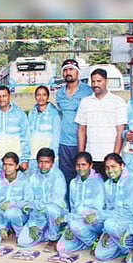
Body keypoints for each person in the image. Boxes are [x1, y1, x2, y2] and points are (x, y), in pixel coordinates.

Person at [75, 68, 127, 178]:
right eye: (93, 81)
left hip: (110, 158)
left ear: (106, 82)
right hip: (91, 157)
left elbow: (120, 131)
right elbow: (81, 129)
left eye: (99, 81)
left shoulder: (118, 102)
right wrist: (81, 155)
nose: (95, 84)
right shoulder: (85, 102)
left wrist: (115, 156)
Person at [93, 153, 133, 261]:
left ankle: (130, 248)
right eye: (107, 167)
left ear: (122, 166)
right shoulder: (107, 184)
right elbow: (107, 208)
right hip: (115, 222)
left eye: (113, 166)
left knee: (108, 223)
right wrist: (106, 231)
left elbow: (128, 211)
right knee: (101, 255)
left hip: (131, 221)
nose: (110, 170)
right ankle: (120, 246)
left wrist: (107, 224)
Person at [55, 59, 93, 188]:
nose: (68, 72)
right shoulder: (59, 93)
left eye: (71, 69)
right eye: (65, 70)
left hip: (83, 143)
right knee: (66, 178)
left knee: (84, 177)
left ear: (78, 72)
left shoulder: (88, 91)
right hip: (64, 143)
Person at [0, 152, 35, 249]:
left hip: (19, 215)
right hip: (1, 216)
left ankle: (19, 233)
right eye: (5, 164)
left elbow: (29, 202)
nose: (7, 168)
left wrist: (13, 204)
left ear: (17, 166)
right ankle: (7, 229)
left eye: (10, 165)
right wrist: (0, 226)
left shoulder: (24, 181)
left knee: (23, 242)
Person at [61, 152, 105, 253]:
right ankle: (83, 241)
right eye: (78, 165)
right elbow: (73, 208)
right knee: (61, 248)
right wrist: (69, 226)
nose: (80, 168)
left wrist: (72, 225)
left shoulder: (98, 182)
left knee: (75, 226)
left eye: (84, 165)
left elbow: (97, 210)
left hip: (94, 221)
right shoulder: (73, 183)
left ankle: (93, 241)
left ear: (91, 165)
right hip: (77, 221)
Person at [27, 148, 68, 253]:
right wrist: (32, 224)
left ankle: (53, 238)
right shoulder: (33, 176)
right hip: (38, 213)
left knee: (51, 209)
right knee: (23, 242)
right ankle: (46, 231)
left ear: (52, 163)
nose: (43, 165)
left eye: (47, 162)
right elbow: (29, 200)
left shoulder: (58, 176)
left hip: (56, 212)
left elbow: (56, 199)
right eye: (40, 162)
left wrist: (39, 205)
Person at [0, 86, 31, 178]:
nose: (1, 99)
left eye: (4, 96)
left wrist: (25, 159)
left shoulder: (20, 114)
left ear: (9, 96)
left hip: (14, 161)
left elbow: (25, 138)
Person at [28, 85, 61, 169]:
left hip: (47, 158)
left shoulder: (54, 113)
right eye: (38, 95)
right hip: (32, 157)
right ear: (35, 96)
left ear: (48, 97)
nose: (41, 98)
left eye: (44, 95)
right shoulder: (32, 113)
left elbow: (56, 137)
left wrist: (52, 157)